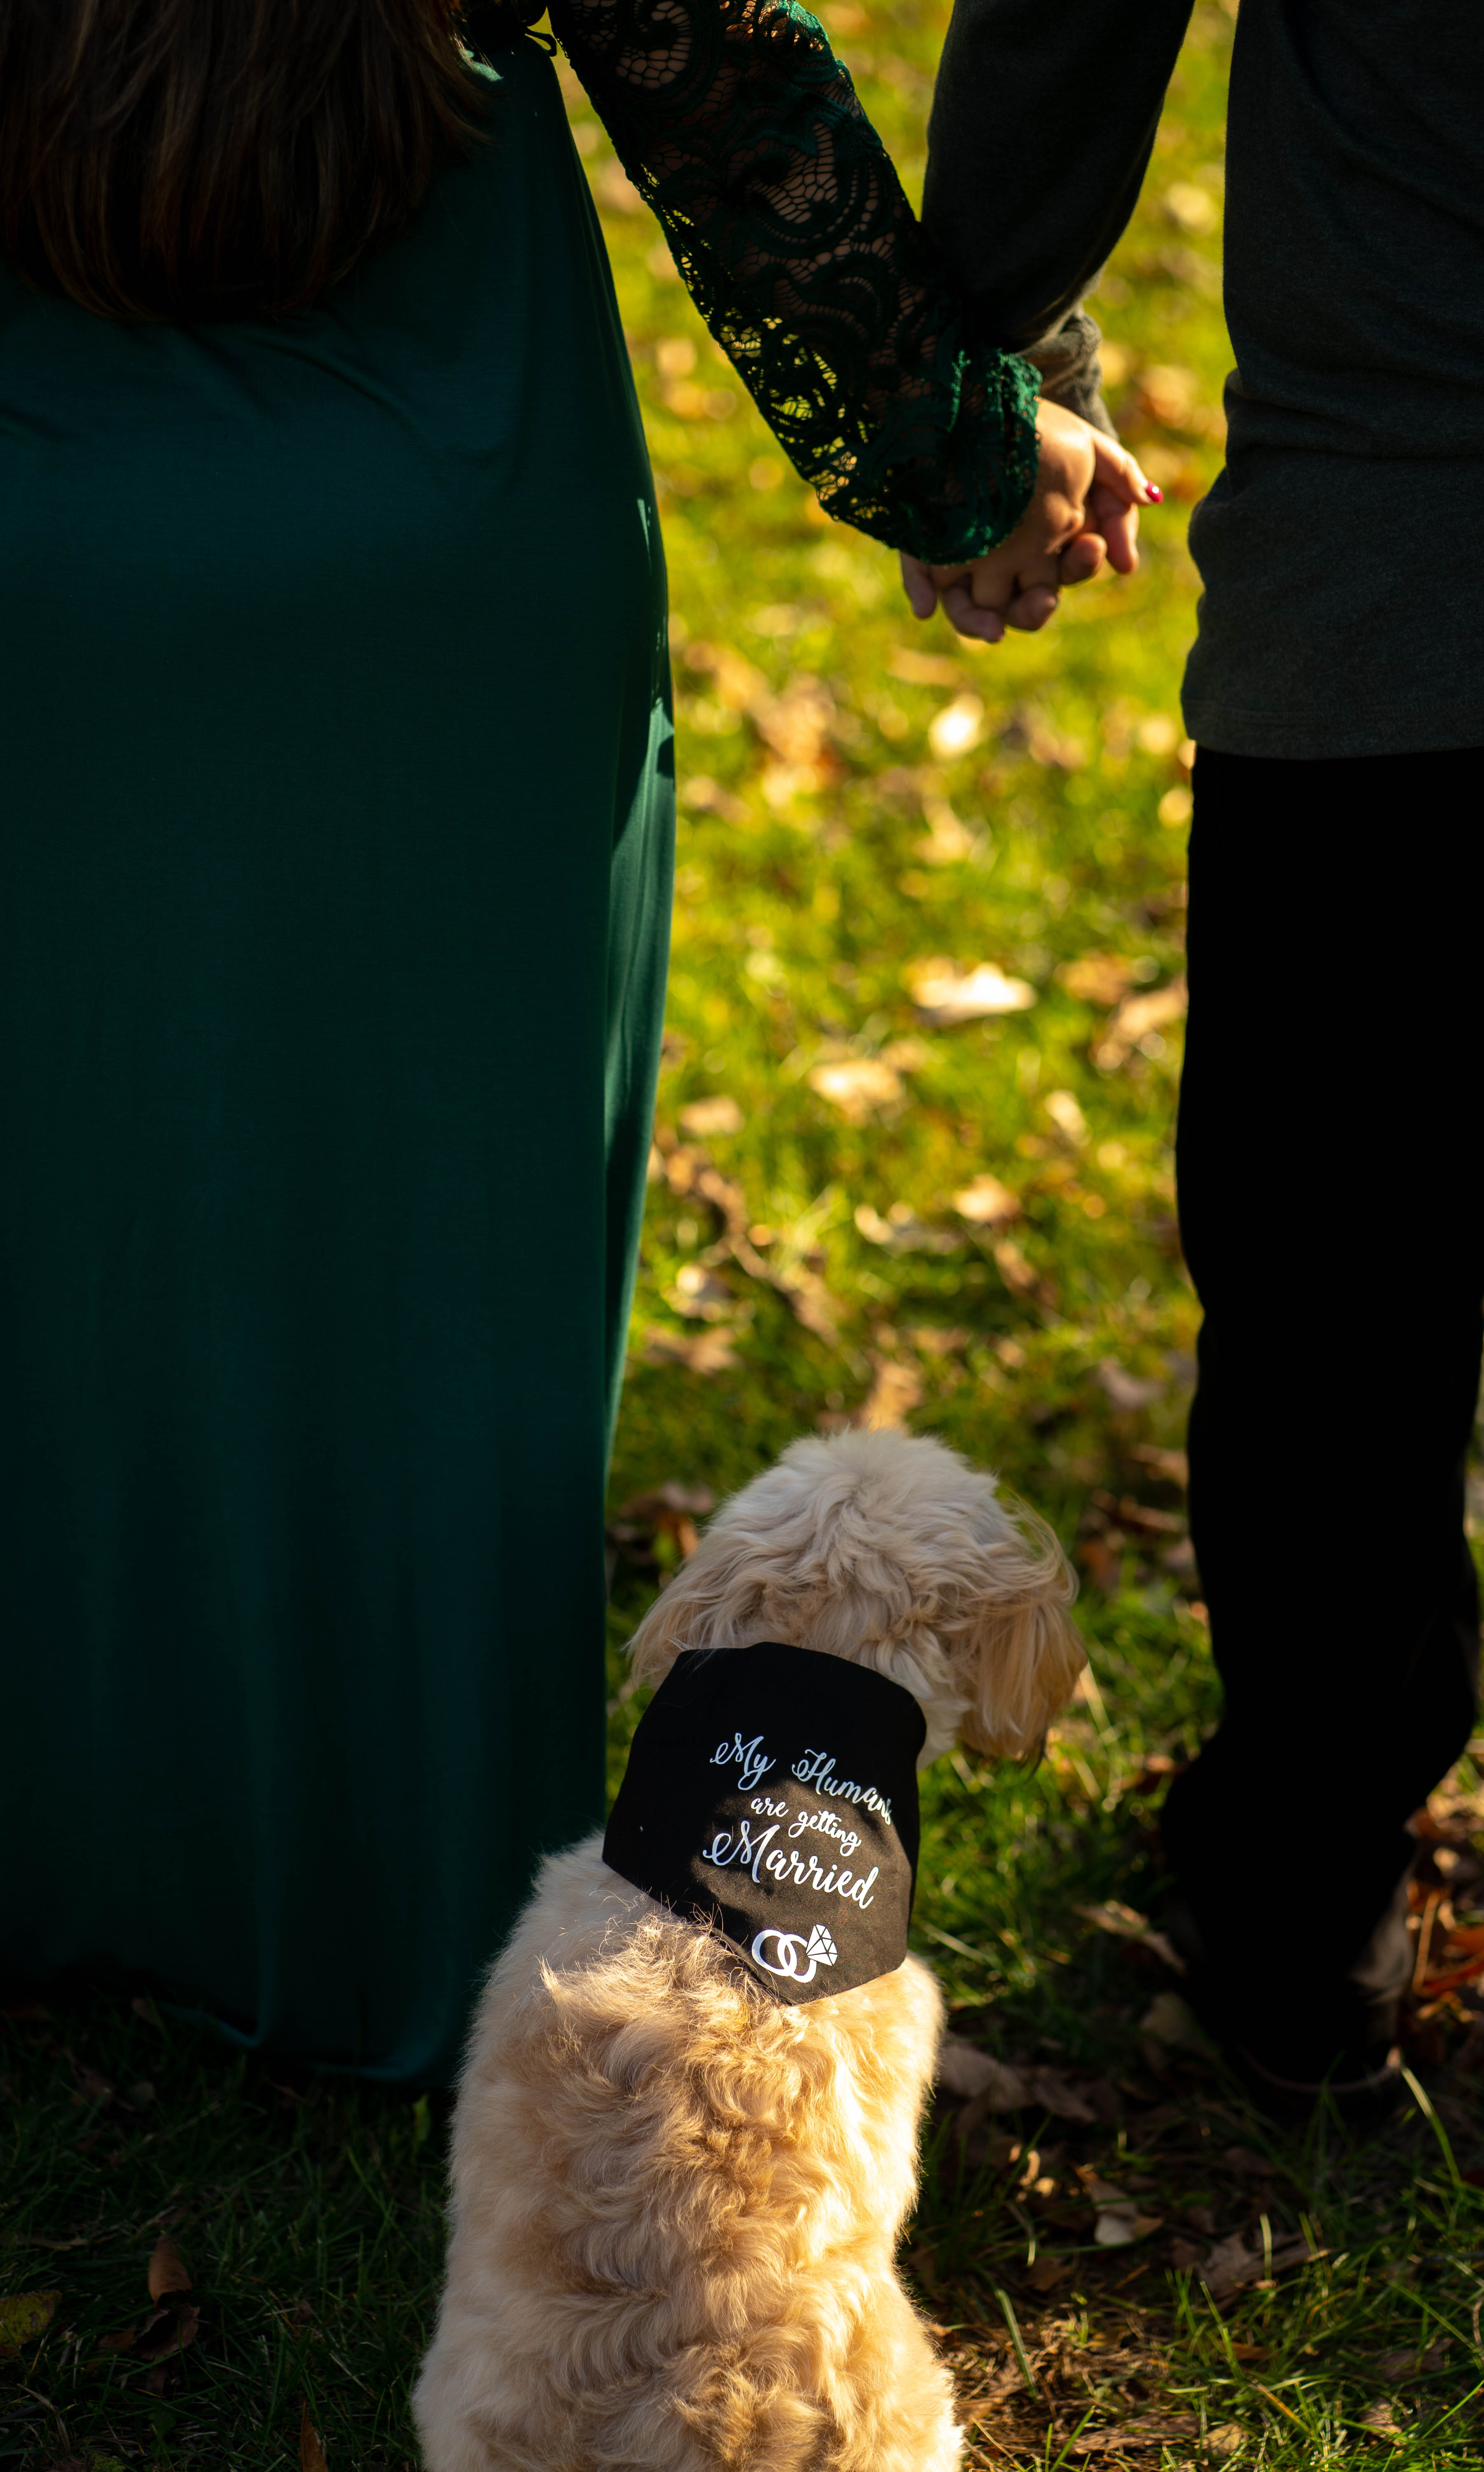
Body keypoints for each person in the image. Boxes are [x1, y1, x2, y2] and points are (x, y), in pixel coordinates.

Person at [0, 0, 1155, 2080]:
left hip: (44, 569)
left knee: (58, 1199)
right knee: (443, 1262)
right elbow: (724, 90)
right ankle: (399, 1920)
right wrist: (973, 451)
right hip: (437, 557)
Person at [908, 0, 1484, 2110]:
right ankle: (1305, 1879)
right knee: (1341, 1272)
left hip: (1425, 547)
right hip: (1417, 555)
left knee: (1340, 1276)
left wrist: (976, 389)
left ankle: (1306, 1881)